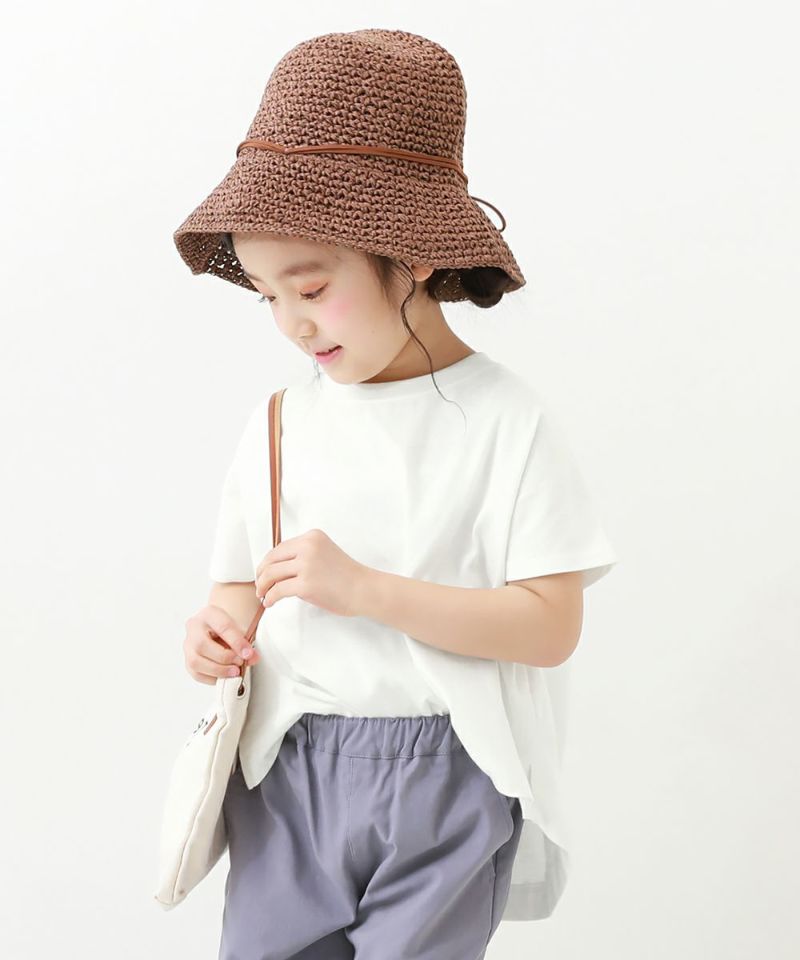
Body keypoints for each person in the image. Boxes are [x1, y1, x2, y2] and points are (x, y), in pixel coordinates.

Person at [173, 28, 619, 960]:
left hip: (446, 772)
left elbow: (549, 626)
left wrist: (368, 591)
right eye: (267, 296)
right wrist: (216, 630)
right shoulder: (279, 422)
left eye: (311, 288)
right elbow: (241, 585)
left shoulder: (504, 422)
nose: (291, 324)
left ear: (409, 253)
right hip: (285, 773)